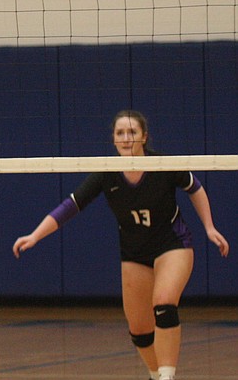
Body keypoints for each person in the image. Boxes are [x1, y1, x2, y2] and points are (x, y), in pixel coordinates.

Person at [13, 110, 229, 380]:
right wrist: (35, 235)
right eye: (120, 133)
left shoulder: (163, 164)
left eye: (132, 133)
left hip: (173, 245)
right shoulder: (107, 173)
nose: (126, 138)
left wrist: (209, 227)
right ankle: (155, 374)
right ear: (113, 139)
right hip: (134, 253)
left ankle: (167, 376)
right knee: (139, 331)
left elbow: (194, 188)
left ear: (144, 137)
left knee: (163, 304)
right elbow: (71, 205)